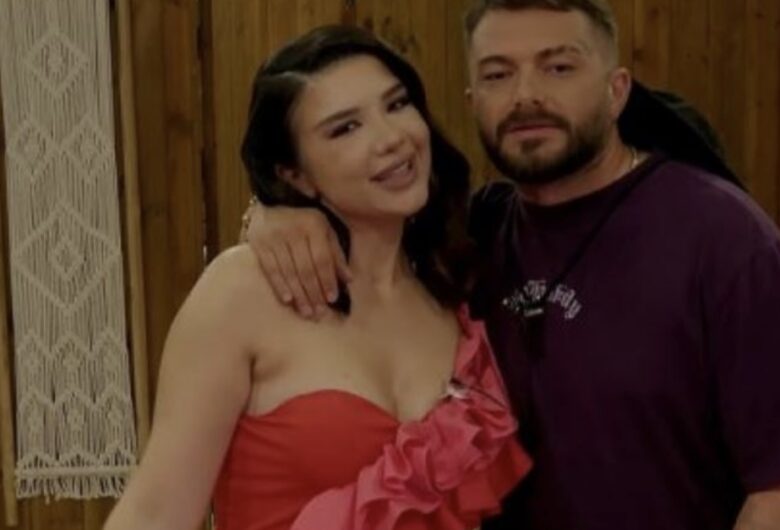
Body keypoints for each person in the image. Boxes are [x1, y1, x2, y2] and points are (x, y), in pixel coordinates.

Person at [242, 1, 780, 529]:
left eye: (558, 67)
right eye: (498, 75)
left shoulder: (723, 237)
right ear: (473, 100)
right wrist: (271, 213)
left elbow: (773, 494)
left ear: (617, 91)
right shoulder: (466, 237)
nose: (526, 96)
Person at [103, 25, 531, 530]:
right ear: (294, 175)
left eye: (397, 105)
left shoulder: (454, 291)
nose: (392, 138)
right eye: (345, 128)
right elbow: (154, 514)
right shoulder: (243, 292)